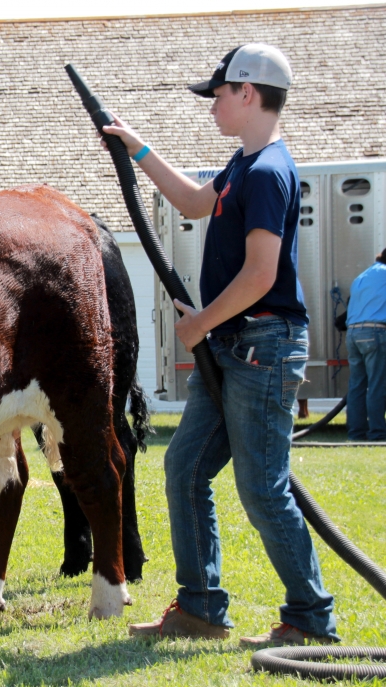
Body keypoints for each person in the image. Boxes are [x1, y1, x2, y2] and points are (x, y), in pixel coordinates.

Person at [103, 44, 339, 645]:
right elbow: (191, 201)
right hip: (238, 346)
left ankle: (310, 621)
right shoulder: (243, 165)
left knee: (262, 489)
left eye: (219, 94)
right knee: (184, 468)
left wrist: (201, 322)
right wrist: (139, 149)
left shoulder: (267, 173)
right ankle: (201, 609)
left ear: (249, 94)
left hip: (262, 344)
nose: (212, 106)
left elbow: (261, 276)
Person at [345, 249, 386, 440]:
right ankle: (377, 433)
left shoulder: (362, 276)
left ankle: (356, 433)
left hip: (353, 333)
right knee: (377, 384)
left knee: (357, 386)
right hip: (375, 332)